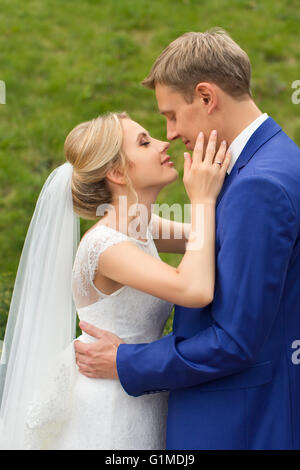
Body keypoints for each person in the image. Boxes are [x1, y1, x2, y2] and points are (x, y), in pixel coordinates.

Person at [75, 29, 300, 450]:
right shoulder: (278, 159)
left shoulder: (258, 185)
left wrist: (127, 360)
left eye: (171, 115)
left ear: (205, 97)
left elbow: (234, 340)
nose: (171, 133)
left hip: (238, 423)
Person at [0, 110, 230, 449]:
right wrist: (202, 200)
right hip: (110, 406)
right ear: (118, 172)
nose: (163, 142)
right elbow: (193, 289)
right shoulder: (106, 246)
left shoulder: (138, 227)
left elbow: (211, 237)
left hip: (138, 386)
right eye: (144, 142)